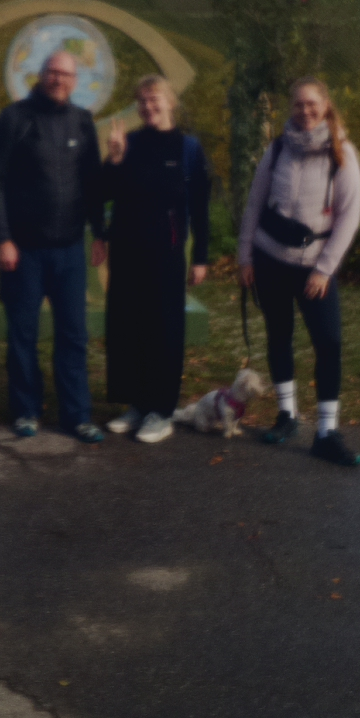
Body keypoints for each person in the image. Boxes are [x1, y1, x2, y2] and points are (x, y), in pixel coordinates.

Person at [237, 76, 360, 466]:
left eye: (312, 104)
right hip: (269, 259)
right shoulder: (277, 149)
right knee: (279, 335)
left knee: (329, 342)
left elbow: (349, 217)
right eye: (298, 104)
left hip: (314, 270)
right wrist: (245, 256)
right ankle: (286, 415)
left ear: (325, 105)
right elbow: (254, 202)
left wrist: (324, 270)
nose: (305, 111)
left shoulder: (341, 153)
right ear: (290, 107)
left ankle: (326, 433)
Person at [0, 49, 108, 443]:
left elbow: (92, 183)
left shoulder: (82, 121)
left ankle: (77, 415)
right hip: (23, 250)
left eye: (66, 74)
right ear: (40, 75)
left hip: (69, 249)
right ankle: (26, 410)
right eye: (52, 72)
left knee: (74, 335)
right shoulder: (14, 118)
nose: (58, 79)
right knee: (23, 334)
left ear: (75, 81)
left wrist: (99, 232)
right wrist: (2, 238)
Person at [100, 75, 210, 444]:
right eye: (142, 101)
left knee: (164, 329)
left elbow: (200, 207)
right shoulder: (129, 143)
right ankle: (137, 404)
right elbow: (104, 192)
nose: (148, 107)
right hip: (127, 250)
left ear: (170, 102)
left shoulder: (188, 148)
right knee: (128, 327)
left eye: (154, 99)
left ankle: (161, 412)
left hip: (166, 251)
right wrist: (115, 160)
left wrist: (201, 257)